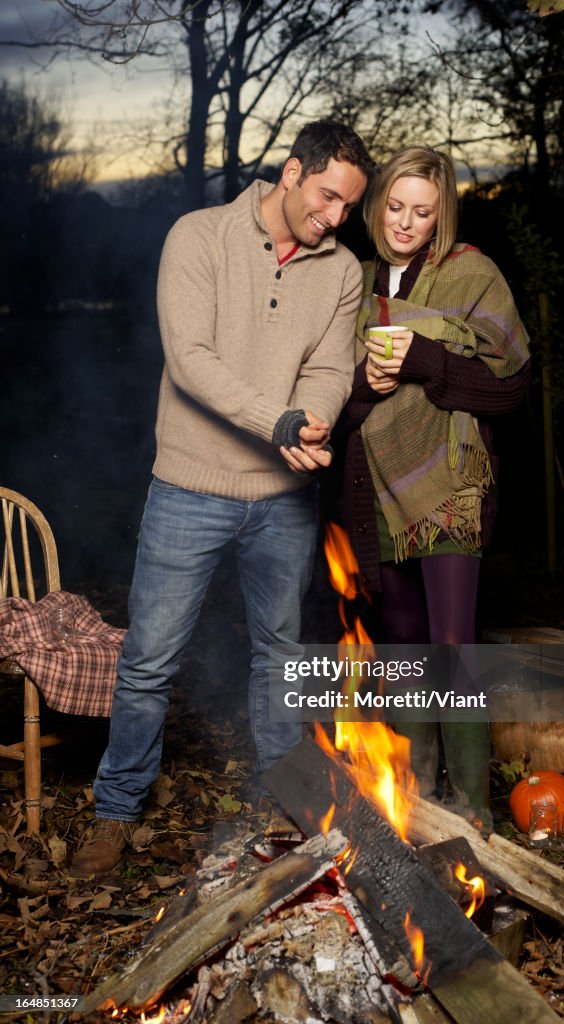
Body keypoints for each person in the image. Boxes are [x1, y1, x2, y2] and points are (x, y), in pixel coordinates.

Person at [70, 120, 374, 878]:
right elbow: (190, 358)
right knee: (148, 660)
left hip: (284, 499)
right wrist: (273, 422)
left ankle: (286, 804)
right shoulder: (198, 235)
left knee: (279, 656)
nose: (336, 218)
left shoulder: (340, 269)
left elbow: (331, 368)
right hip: (189, 485)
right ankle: (116, 810)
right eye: (328, 196)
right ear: (291, 171)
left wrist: (313, 420)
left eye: (349, 207)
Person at [334, 147, 531, 827]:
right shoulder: (351, 282)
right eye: (395, 206)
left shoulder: (470, 272)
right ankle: (418, 804)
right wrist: (365, 382)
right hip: (375, 487)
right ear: (375, 203)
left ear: (441, 214)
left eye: (423, 211)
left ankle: (473, 811)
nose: (405, 222)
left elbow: (509, 388)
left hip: (449, 484)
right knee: (404, 641)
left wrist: (423, 359)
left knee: (451, 641)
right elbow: (333, 406)